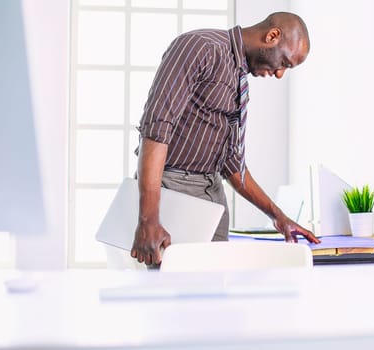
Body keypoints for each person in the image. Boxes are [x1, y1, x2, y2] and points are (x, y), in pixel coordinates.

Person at [131, 11, 321, 266]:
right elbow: (156, 129)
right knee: (172, 296)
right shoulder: (200, 47)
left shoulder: (239, 79)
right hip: (173, 191)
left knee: (215, 297)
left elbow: (231, 163)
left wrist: (279, 217)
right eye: (285, 63)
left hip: (213, 198)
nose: (279, 74)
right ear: (272, 36)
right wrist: (148, 220)